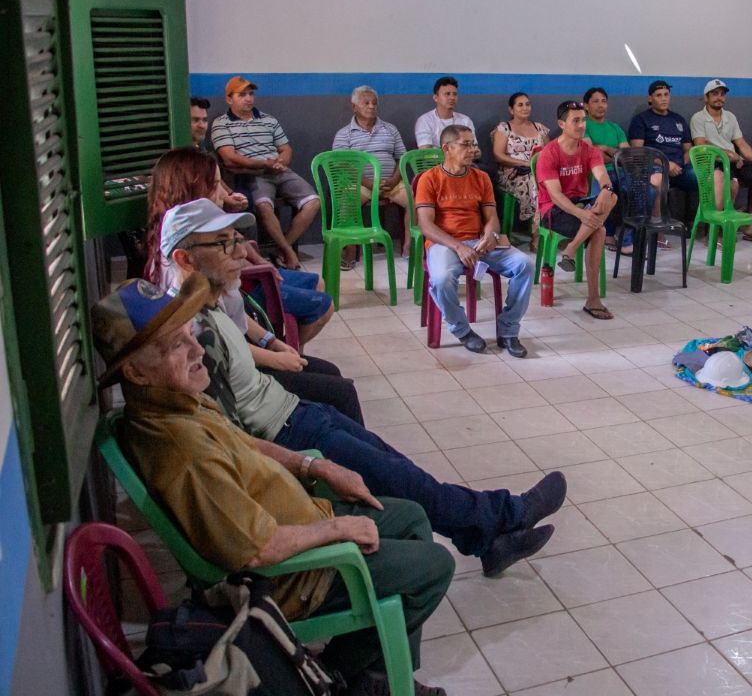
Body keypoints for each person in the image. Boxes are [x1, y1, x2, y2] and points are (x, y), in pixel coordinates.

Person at [160, 198, 566, 578]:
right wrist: (307, 465)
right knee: (405, 481)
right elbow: (229, 438)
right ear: (184, 258)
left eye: (236, 239)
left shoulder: (208, 300)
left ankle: (488, 539)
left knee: (400, 469)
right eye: (223, 242)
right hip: (288, 433)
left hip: (295, 412)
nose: (238, 252)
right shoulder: (192, 339)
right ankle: (508, 515)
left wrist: (271, 345)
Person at [90, 273, 454, 695]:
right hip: (293, 578)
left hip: (303, 521)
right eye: (175, 345)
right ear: (134, 371)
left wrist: (314, 468)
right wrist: (339, 529)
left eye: (190, 334)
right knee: (433, 567)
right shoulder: (181, 451)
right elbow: (257, 549)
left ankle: (384, 678)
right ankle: (333, 678)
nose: (196, 351)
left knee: (411, 515)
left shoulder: (177, 403)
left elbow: (246, 443)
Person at [144, 147, 336, 348]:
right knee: (323, 304)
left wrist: (272, 344)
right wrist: (275, 356)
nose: (222, 194)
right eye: (215, 185)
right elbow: (226, 346)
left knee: (317, 283)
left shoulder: (199, 224)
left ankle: (296, 349)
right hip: (248, 287)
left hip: (244, 296)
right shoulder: (183, 260)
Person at [417, 124, 535, 358]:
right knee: (440, 279)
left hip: (479, 242)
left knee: (526, 264)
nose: (472, 149)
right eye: (465, 144)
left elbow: (492, 218)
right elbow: (426, 225)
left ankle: (509, 330)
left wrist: (490, 235)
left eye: (473, 144)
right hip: (446, 244)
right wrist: (458, 246)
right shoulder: (429, 179)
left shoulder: (481, 178)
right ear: (447, 149)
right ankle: (462, 330)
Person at [209, 76, 319, 270]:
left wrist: (279, 163)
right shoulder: (221, 123)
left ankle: (281, 248)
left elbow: (286, 149)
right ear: (229, 99)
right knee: (264, 207)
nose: (248, 99)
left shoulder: (268, 119)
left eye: (251, 94)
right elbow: (229, 157)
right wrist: (263, 164)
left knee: (313, 201)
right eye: (242, 95)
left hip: (279, 170)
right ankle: (289, 251)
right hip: (254, 174)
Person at [538, 101, 619, 321]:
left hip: (580, 202)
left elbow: (603, 175)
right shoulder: (549, 154)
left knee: (611, 196)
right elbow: (555, 196)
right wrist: (582, 214)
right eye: (576, 120)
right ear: (561, 124)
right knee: (599, 231)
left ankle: (572, 248)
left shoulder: (589, 150)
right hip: (554, 211)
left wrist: (605, 189)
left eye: (584, 120)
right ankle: (593, 299)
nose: (582, 125)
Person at [331, 85, 411, 268]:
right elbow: (343, 168)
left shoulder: (390, 129)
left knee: (416, 200)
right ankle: (350, 251)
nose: (371, 106)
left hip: (390, 183)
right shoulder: (344, 134)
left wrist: (393, 180)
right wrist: (369, 183)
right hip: (361, 184)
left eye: (374, 103)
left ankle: (409, 247)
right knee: (347, 202)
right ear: (354, 108)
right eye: (366, 103)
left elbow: (402, 159)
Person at [689, 78, 752, 236]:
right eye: (714, 94)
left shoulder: (730, 117)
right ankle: (717, 230)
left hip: (735, 162)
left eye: (722, 94)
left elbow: (742, 144)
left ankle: (751, 224)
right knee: (729, 184)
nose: (719, 97)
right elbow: (701, 146)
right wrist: (727, 154)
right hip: (713, 163)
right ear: (706, 97)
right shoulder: (698, 118)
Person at [491, 92, 550, 250]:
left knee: (549, 183)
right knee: (534, 183)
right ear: (511, 109)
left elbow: (550, 152)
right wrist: (523, 162)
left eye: (528, 104)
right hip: (512, 174)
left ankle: (550, 230)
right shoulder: (504, 128)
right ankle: (536, 236)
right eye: (520, 105)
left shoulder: (539, 128)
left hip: (538, 172)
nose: (525, 108)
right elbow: (498, 155)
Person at [583, 86, 633, 252]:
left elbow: (626, 155)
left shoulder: (615, 127)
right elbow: (592, 154)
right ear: (586, 106)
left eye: (604, 101)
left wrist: (607, 148)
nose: (600, 105)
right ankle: (608, 235)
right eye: (595, 101)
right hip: (596, 172)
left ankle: (626, 240)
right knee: (608, 186)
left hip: (621, 170)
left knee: (636, 190)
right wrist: (615, 156)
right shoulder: (584, 126)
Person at [628, 80, 695, 195]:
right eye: (659, 95)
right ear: (650, 99)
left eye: (666, 94)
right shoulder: (641, 119)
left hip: (680, 169)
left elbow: (688, 148)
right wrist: (665, 164)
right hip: (655, 168)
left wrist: (686, 158)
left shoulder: (678, 119)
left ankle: (709, 213)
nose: (663, 98)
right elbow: (637, 152)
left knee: (706, 177)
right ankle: (658, 214)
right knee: (656, 181)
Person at [414, 76, 478, 162]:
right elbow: (425, 153)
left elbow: (475, 151)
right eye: (447, 94)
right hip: (435, 166)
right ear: (436, 98)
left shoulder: (465, 120)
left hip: (463, 165)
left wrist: (475, 152)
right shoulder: (425, 121)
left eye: (455, 94)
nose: (452, 98)